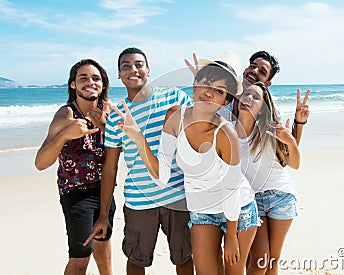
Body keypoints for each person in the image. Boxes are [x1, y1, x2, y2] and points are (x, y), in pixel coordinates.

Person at [116, 51, 259, 275]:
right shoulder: (175, 116)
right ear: (194, 85)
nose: (209, 93)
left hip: (237, 211)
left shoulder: (225, 133)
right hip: (202, 210)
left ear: (226, 100)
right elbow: (162, 174)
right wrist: (138, 138)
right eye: (205, 84)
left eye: (219, 91)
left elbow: (231, 190)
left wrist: (231, 237)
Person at [85, 47, 194, 275]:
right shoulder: (115, 116)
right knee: (136, 261)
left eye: (138, 64)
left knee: (184, 258)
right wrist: (104, 214)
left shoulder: (174, 97)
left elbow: (201, 130)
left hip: (178, 196)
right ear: (119, 74)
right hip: (140, 201)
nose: (133, 70)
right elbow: (110, 167)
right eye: (126, 66)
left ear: (148, 69)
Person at [34, 59, 115, 275]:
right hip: (76, 193)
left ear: (103, 84)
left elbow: (126, 149)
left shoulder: (110, 110)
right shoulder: (66, 114)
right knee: (80, 259)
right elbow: (41, 163)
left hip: (105, 190)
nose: (90, 82)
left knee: (104, 246)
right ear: (73, 85)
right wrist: (64, 135)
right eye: (83, 78)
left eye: (96, 78)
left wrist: (105, 127)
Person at [234, 82, 300, 275]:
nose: (248, 99)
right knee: (259, 261)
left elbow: (294, 164)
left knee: (272, 260)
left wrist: (291, 141)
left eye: (256, 97)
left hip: (282, 197)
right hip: (253, 201)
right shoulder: (228, 131)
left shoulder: (271, 130)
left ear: (263, 108)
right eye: (246, 94)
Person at [185, 50, 311, 144]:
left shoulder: (269, 115)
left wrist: (299, 122)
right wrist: (201, 85)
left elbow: (286, 152)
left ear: (267, 84)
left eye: (262, 72)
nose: (254, 71)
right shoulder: (221, 99)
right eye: (252, 66)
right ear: (245, 70)